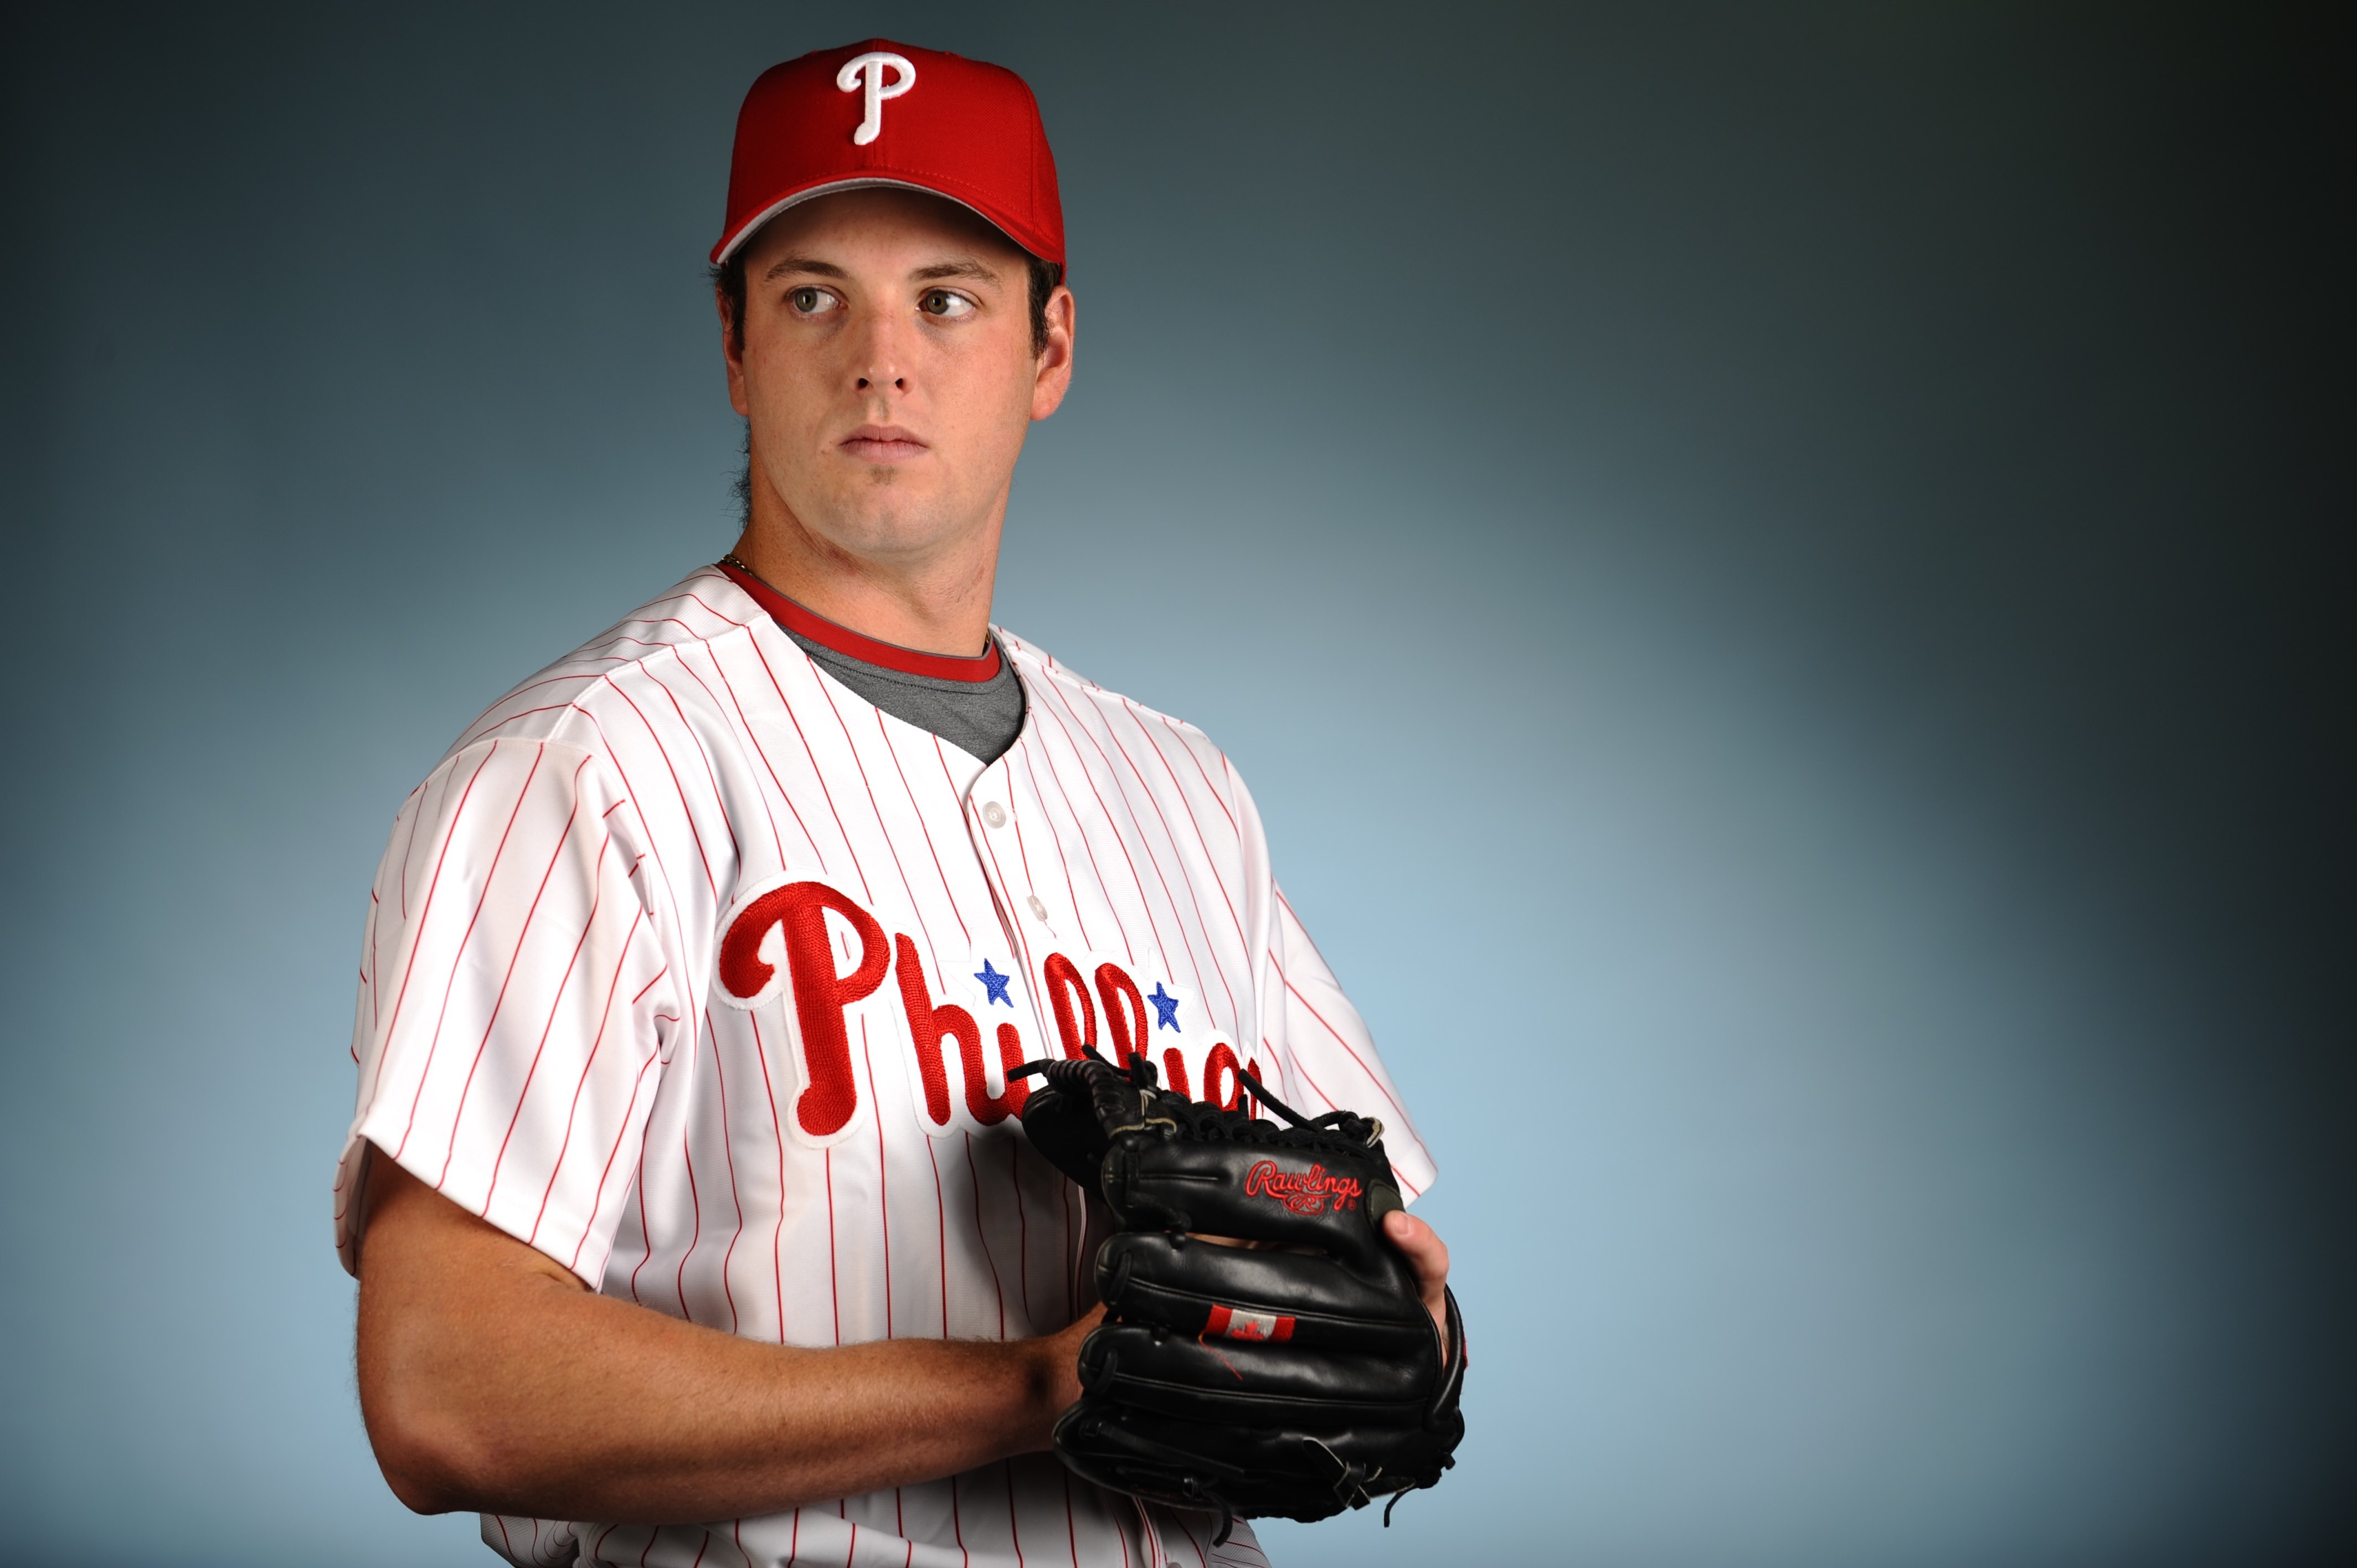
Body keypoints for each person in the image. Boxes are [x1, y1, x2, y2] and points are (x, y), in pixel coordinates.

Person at [336, 39, 1452, 1568]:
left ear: (1051, 350)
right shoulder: (584, 766)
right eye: (813, 297)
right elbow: (443, 1388)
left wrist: (1406, 1335)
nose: (882, 357)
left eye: (947, 296)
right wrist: (1030, 1388)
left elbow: (1387, 1263)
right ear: (733, 347)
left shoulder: (1184, 789)